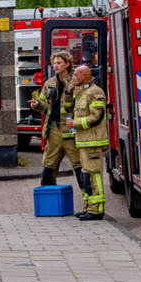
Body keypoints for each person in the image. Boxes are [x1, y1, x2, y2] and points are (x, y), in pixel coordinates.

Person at [28, 52, 82, 192]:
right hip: (54, 131)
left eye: (59, 63)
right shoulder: (49, 83)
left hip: (71, 131)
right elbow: (44, 105)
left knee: (80, 166)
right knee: (48, 165)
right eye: (54, 63)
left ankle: (89, 203)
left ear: (67, 64)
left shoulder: (75, 83)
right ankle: (48, 201)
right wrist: (37, 105)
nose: (56, 66)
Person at [65, 65, 108, 220]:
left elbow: (95, 117)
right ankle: (88, 208)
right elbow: (69, 109)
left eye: (76, 75)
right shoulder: (81, 92)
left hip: (93, 143)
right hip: (84, 143)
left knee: (93, 176)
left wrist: (75, 124)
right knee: (85, 177)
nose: (73, 78)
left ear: (84, 76)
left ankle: (96, 211)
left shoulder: (95, 92)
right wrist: (68, 93)